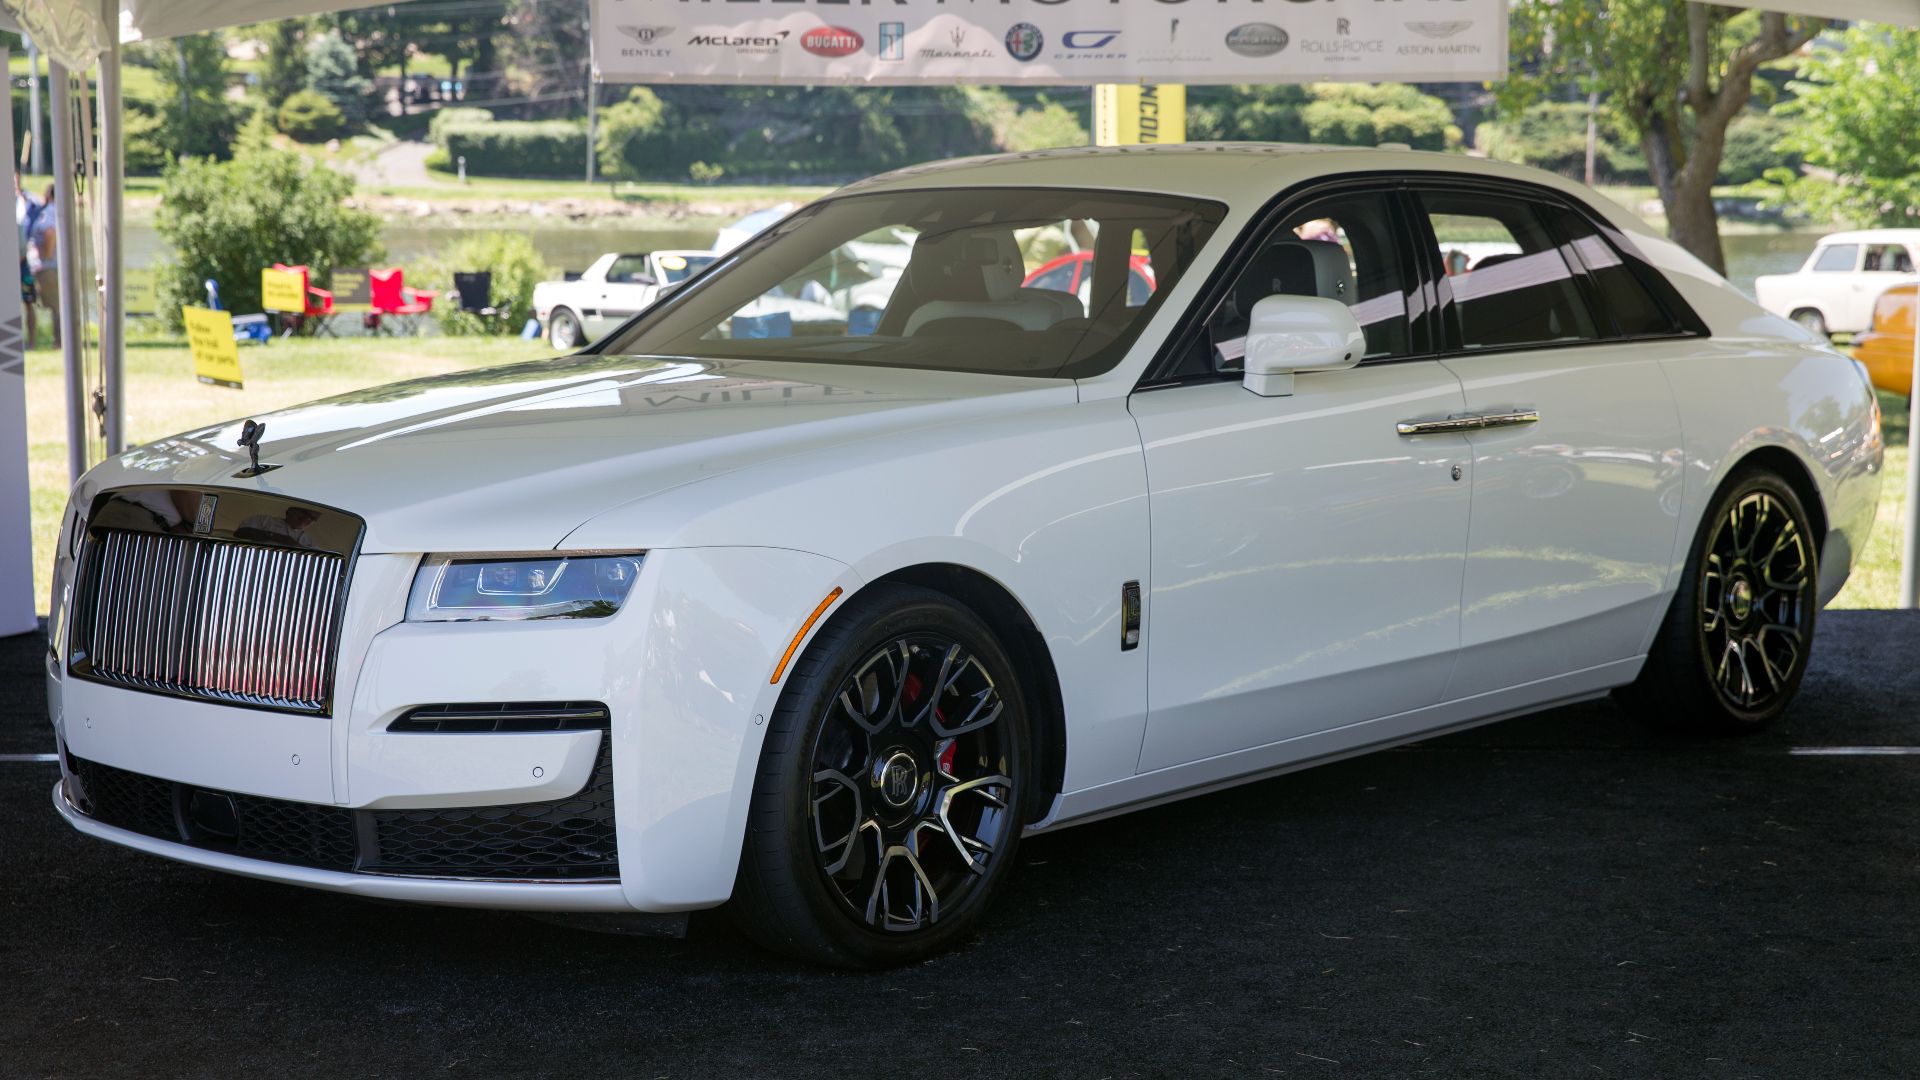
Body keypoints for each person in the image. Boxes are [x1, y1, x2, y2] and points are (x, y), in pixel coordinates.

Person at [28, 185, 57, 347]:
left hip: (48, 267)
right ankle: (59, 341)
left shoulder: (49, 212)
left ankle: (59, 342)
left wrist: (47, 255)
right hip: (51, 266)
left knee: (55, 306)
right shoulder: (60, 212)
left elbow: (50, 232)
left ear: (49, 195)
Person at [15, 176, 38, 345]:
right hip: (9, 266)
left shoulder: (25, 202)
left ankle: (31, 341)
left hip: (24, 265)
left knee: (29, 302)